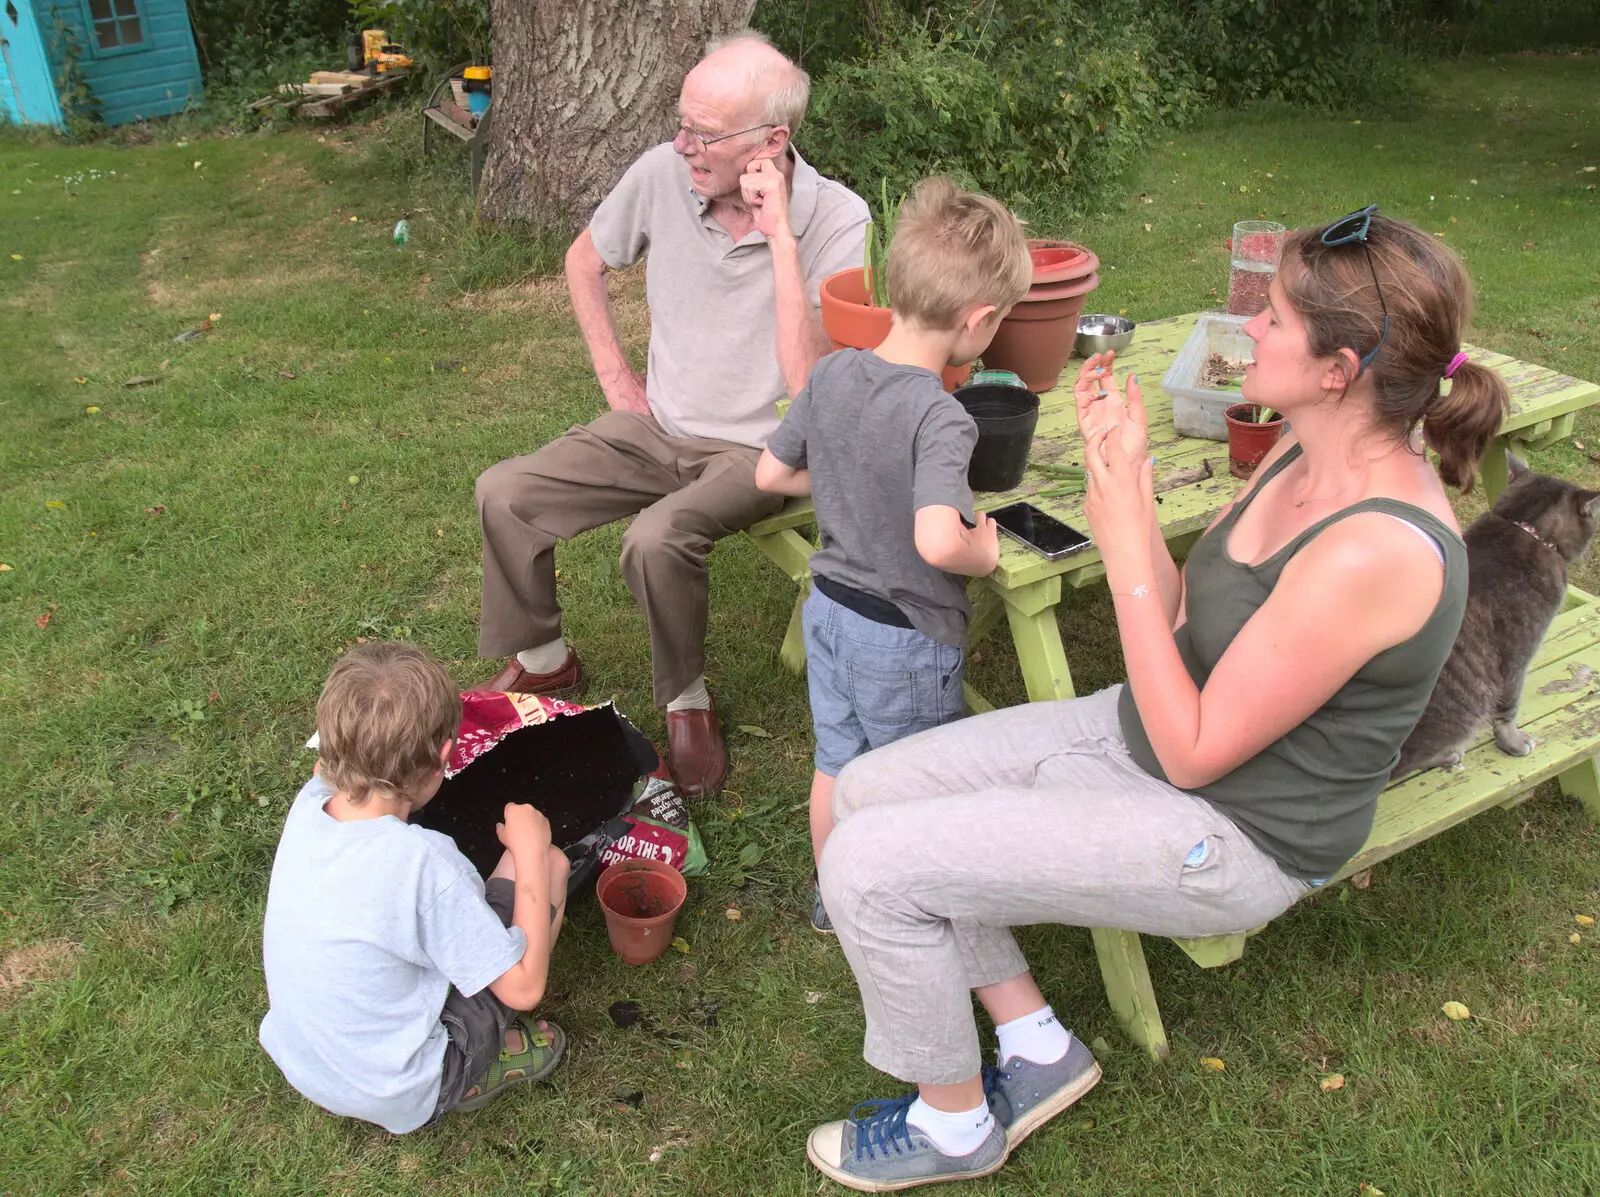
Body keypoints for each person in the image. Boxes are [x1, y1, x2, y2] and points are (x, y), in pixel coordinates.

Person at [804, 207, 1508, 1191]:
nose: (1246, 329)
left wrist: (1128, 541)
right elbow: (1184, 634)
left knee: (872, 868)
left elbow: (1192, 753)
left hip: (1233, 831)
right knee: (871, 792)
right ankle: (1037, 1043)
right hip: (1145, 728)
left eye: (1270, 318)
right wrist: (1125, 485)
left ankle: (955, 1125)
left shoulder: (1376, 546)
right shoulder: (1303, 453)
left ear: (1336, 371)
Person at [473, 31, 871, 798]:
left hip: (763, 447)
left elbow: (811, 377)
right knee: (505, 491)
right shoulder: (663, 174)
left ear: (772, 142)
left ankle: (686, 700)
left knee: (655, 540)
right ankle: (549, 658)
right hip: (657, 425)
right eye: (682, 122)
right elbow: (583, 260)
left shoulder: (839, 220)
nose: (683, 143)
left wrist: (780, 236)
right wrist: (615, 374)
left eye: (705, 133)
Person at [753, 177, 1032, 934]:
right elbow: (938, 539)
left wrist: (846, 472)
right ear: (977, 322)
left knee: (837, 763)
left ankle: (831, 892)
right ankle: (905, 909)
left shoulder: (834, 373)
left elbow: (769, 474)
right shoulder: (942, 416)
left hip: (829, 614)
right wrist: (981, 547)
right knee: (913, 783)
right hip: (903, 633)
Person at [259, 642, 571, 1134]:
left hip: (309, 1062)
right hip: (404, 1086)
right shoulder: (424, 865)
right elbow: (524, 987)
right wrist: (530, 850)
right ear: (445, 755)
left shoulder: (310, 804)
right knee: (550, 867)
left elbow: (325, 771)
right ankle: (472, 1071)